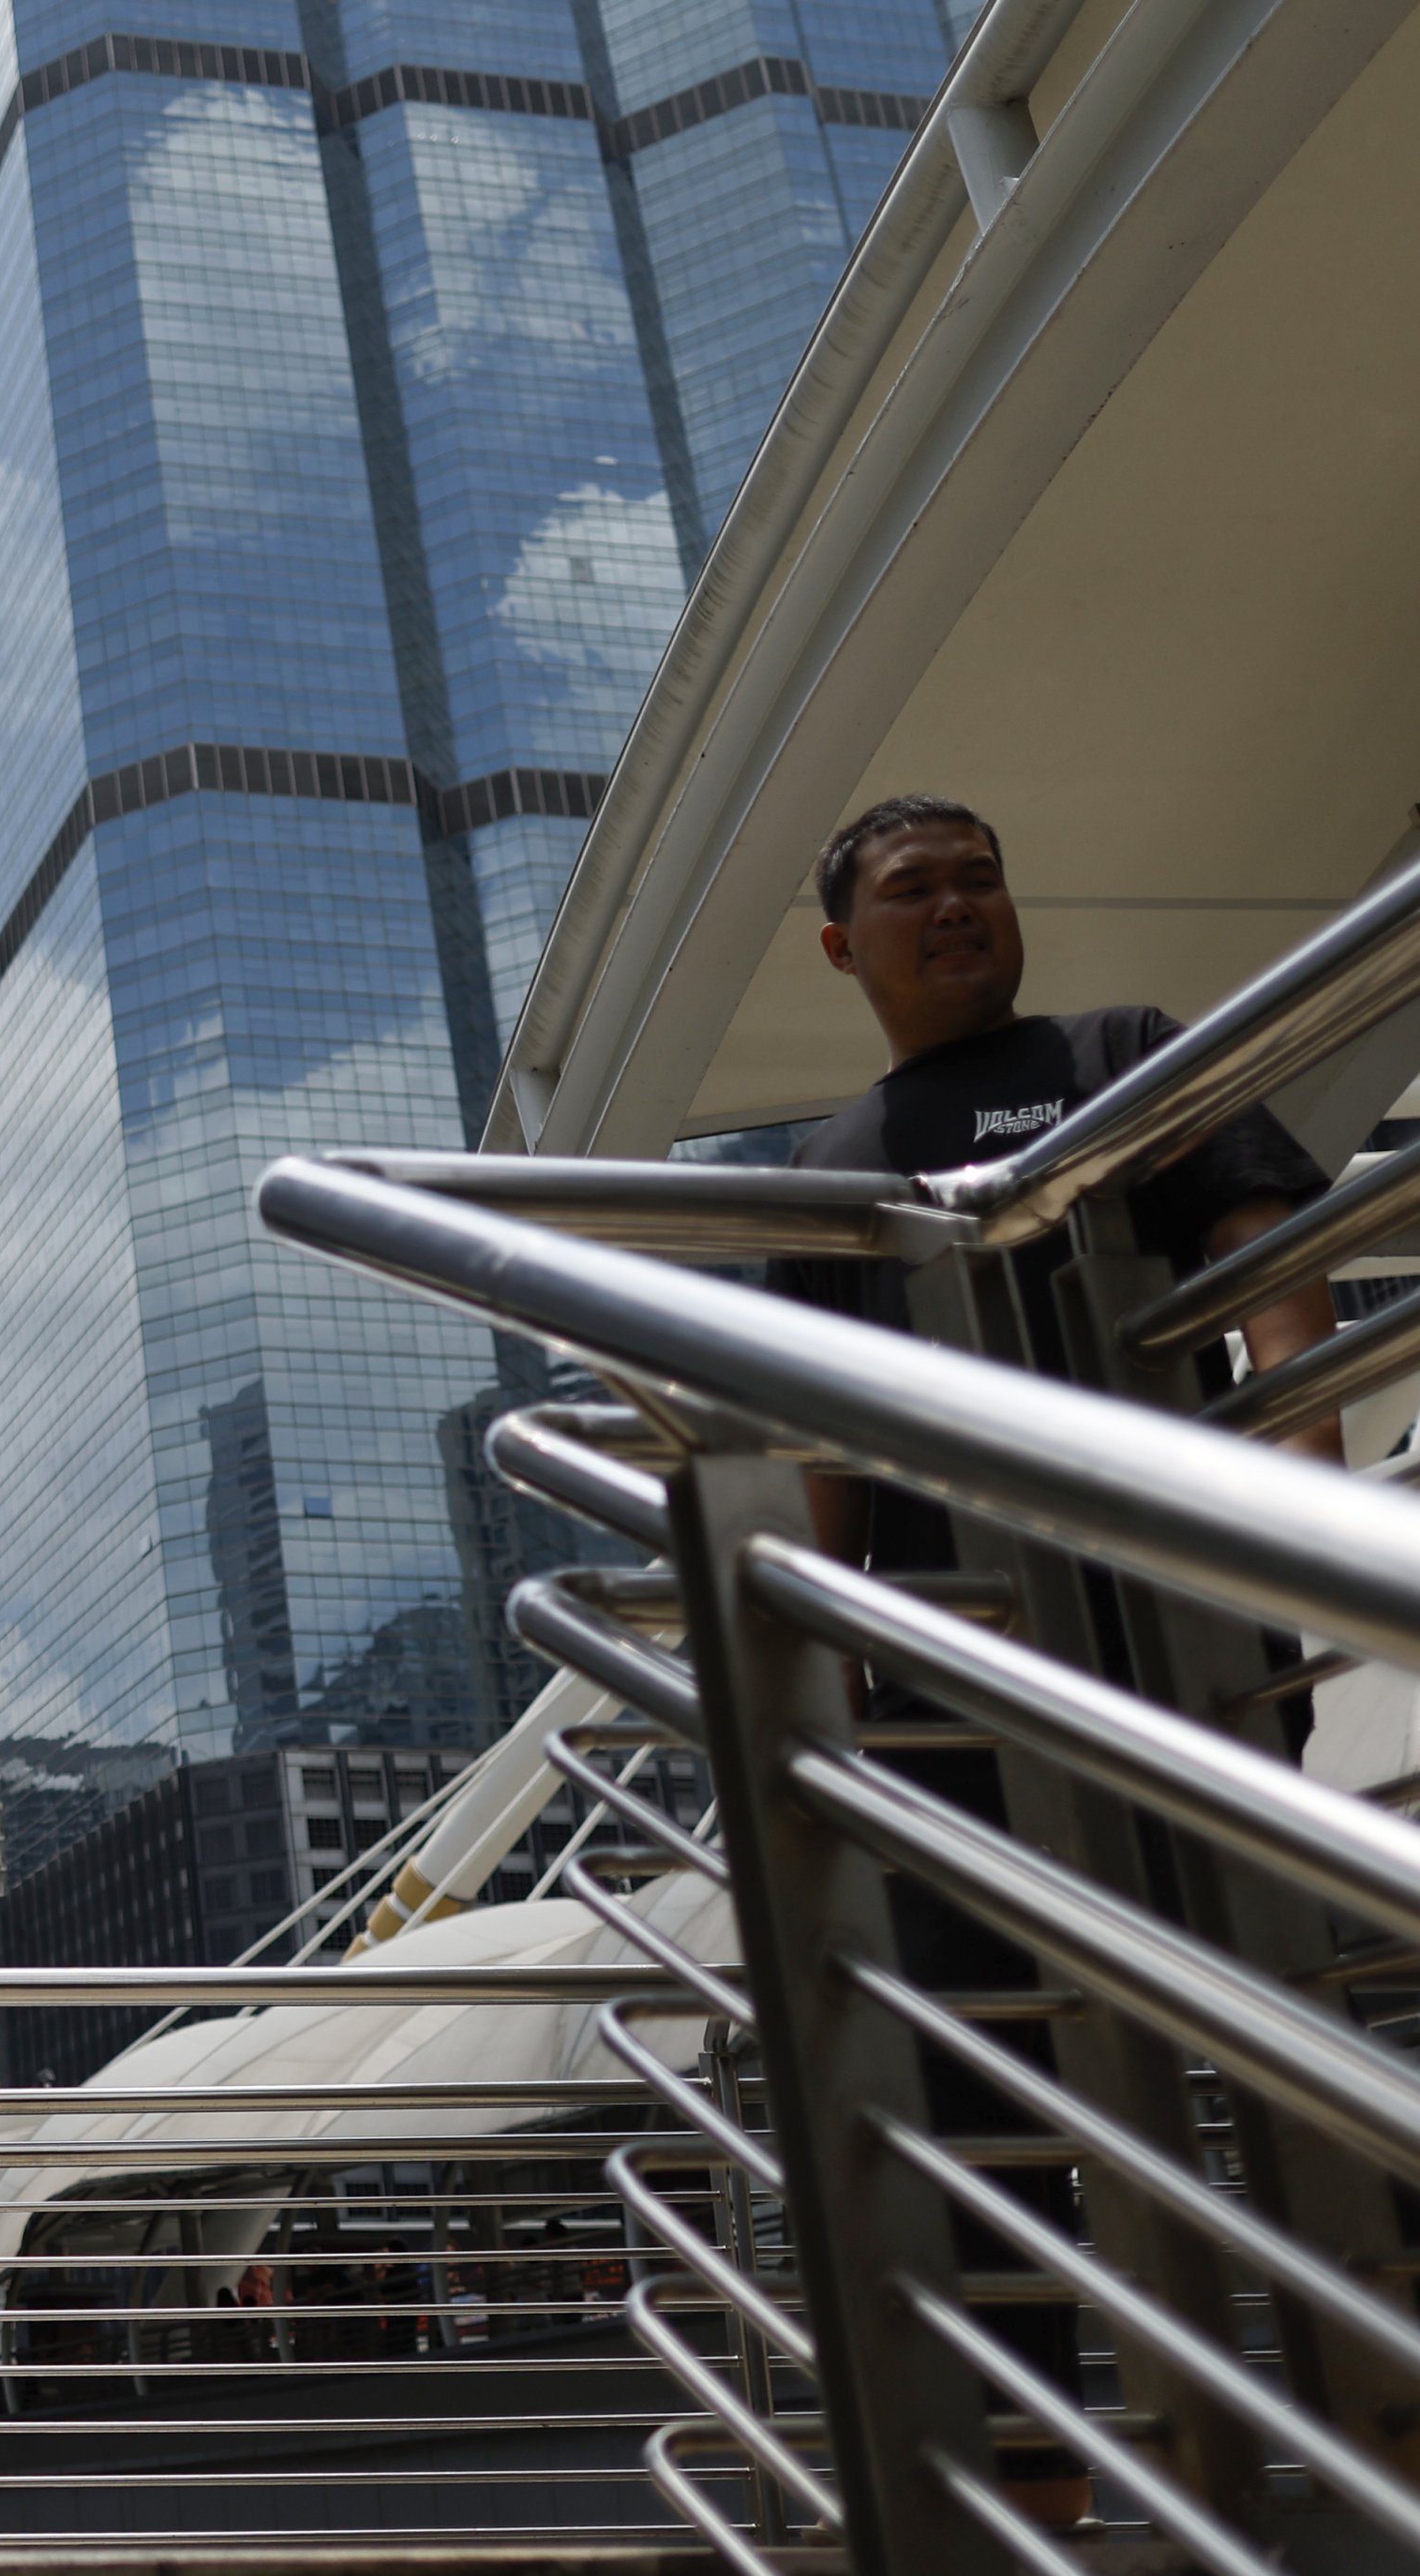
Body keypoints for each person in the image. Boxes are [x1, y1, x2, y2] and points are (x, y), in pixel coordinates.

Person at [769, 793, 1339, 2530]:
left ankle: (1364, 2417)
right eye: (911, 888)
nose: (955, 906)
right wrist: (832, 1657)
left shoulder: (1117, 1055)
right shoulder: (830, 1161)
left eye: (978, 877)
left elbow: (1266, 1256)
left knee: (1264, 2025)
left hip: (1178, 1651)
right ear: (840, 944)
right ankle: (1033, 2483)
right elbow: (822, 1448)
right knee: (980, 2079)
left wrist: (1295, 1477)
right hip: (953, 1697)